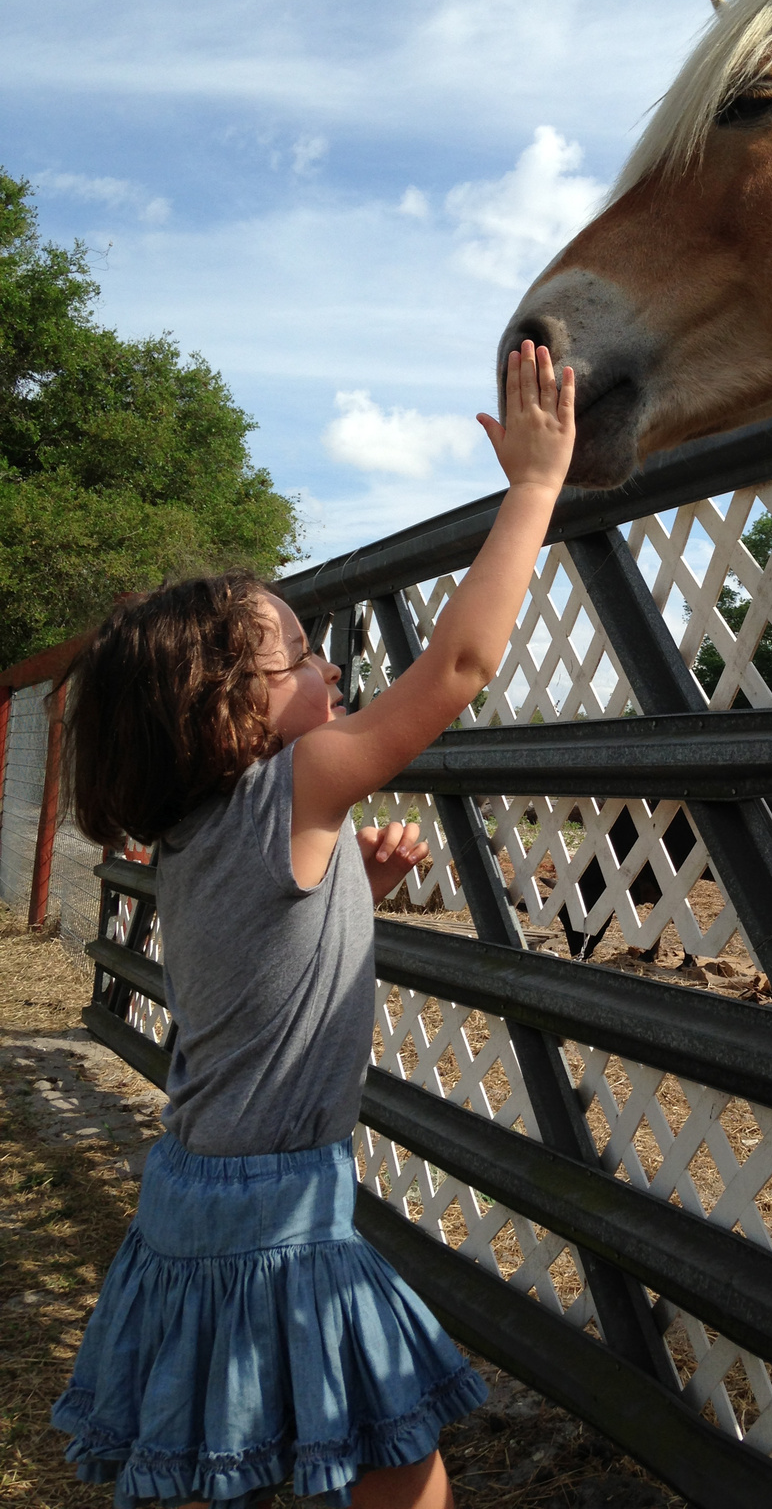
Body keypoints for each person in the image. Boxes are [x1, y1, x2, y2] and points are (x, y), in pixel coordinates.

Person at [51, 342, 575, 1509]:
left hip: (196, 1191)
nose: (327, 668)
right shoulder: (294, 787)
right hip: (277, 1215)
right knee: (395, 1454)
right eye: (298, 656)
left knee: (228, 1449)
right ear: (232, 711)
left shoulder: (192, 836)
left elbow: (256, 965)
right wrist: (535, 486)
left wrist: (355, 900)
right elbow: (461, 664)